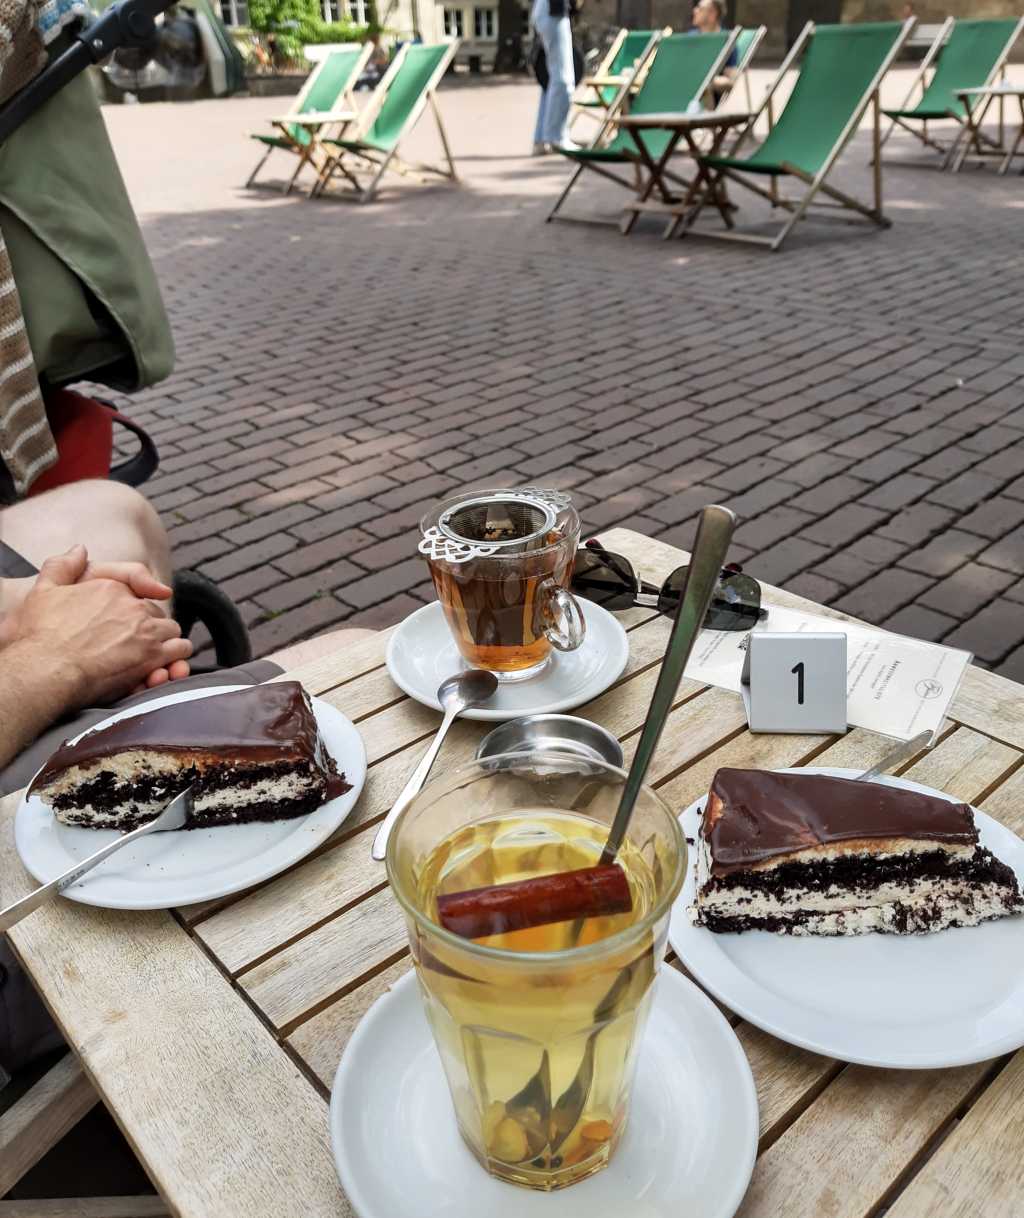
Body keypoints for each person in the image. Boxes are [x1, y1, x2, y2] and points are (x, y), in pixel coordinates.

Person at [531, 0, 579, 155]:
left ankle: (541, 139)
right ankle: (556, 138)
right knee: (563, 79)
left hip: (547, 9)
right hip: (553, 10)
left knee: (553, 80)